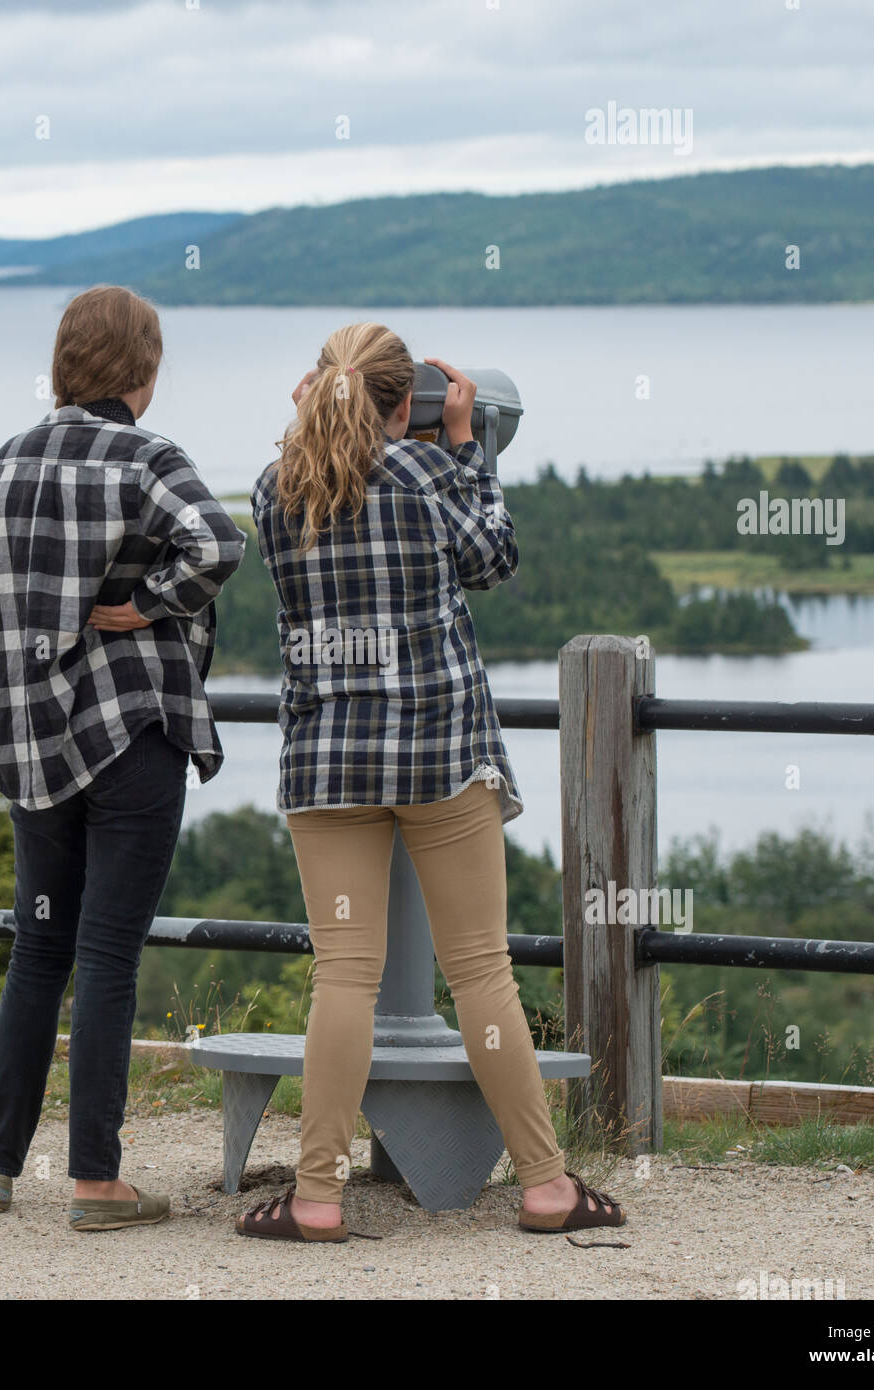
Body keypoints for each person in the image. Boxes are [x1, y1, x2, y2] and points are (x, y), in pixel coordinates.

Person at [236, 322, 626, 1242]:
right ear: (400, 403)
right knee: (482, 971)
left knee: (342, 978)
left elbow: (314, 492)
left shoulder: (275, 486)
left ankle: (318, 1195)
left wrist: (315, 425)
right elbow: (492, 558)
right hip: (440, 752)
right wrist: (464, 447)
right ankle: (544, 1186)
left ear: (317, 389)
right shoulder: (424, 475)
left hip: (328, 762)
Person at [0, 285, 245, 1233]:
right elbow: (219, 540)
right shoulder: (149, 455)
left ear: (65, 364)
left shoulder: (6, 462)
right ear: (143, 372)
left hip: (34, 737)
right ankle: (97, 1182)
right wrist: (148, 604)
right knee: (107, 950)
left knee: (40, 945)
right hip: (130, 729)